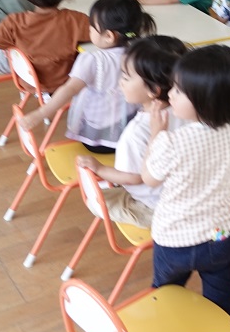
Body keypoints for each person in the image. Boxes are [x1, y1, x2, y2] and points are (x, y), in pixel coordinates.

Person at [140, 44, 230, 332]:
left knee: (165, 294)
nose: (170, 94)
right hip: (221, 236)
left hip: (174, 238)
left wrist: (156, 134)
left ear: (204, 100)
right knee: (221, 301)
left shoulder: (174, 142)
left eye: (178, 90)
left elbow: (149, 178)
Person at [18, 0, 158, 152]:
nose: (89, 29)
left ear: (109, 36)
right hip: (131, 133)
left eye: (92, 26)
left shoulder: (91, 60)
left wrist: (40, 113)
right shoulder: (141, 55)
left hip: (97, 140)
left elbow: (68, 90)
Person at [74, 35, 188, 228]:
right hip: (188, 196)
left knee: (96, 200)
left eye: (126, 76)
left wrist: (100, 168)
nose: (120, 82)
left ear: (154, 90)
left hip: (158, 207)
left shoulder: (135, 133)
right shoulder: (190, 111)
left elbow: (133, 178)